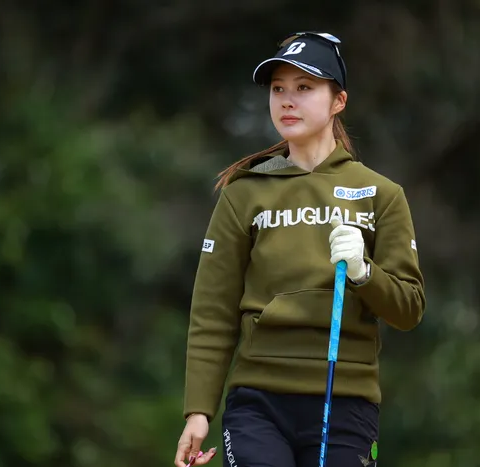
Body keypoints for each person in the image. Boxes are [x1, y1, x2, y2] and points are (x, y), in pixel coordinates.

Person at [174, 31, 425, 467]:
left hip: (345, 401)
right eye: (278, 90)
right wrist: (198, 412)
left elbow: (409, 309)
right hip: (257, 402)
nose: (287, 101)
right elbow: (213, 312)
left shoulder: (381, 195)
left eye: (304, 87)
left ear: (338, 101)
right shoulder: (244, 194)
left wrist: (364, 272)